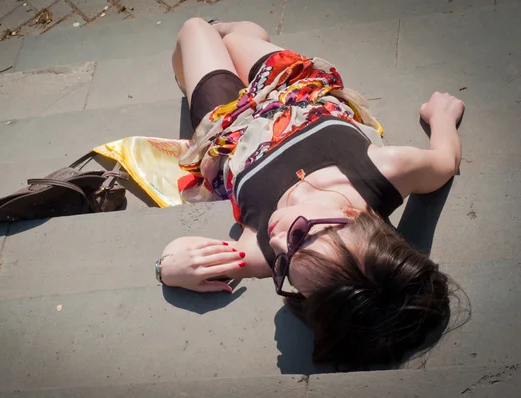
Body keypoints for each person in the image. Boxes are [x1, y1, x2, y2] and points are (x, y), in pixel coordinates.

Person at [156, 18, 465, 369]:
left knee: (195, 28)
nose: (276, 244)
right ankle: (234, 35)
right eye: (300, 237)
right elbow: (446, 159)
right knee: (241, 35)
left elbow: (181, 258)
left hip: (230, 124)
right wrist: (440, 117)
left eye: (284, 268)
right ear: (353, 216)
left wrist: (167, 268)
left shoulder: (260, 252)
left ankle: (215, 49)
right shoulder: (387, 170)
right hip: (292, 88)